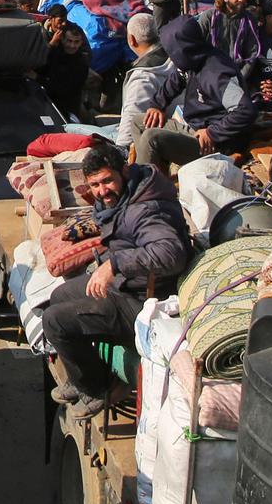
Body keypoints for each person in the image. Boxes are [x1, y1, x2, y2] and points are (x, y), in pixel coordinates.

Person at [41, 145, 193, 418]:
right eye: (95, 185)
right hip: (125, 284)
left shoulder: (146, 209)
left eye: (107, 181)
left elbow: (171, 253)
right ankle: (86, 375)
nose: (101, 191)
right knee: (60, 296)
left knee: (55, 321)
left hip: (145, 304)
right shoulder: (125, 197)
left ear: (124, 170)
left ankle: (99, 389)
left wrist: (114, 264)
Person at [134, 14, 262, 170]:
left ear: (181, 49)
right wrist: (157, 105)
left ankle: (145, 187)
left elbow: (245, 110)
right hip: (193, 127)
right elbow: (176, 80)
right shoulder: (190, 60)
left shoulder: (217, 74)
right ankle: (156, 173)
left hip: (213, 143)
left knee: (151, 138)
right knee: (139, 122)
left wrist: (212, 133)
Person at [116, 13, 175, 148]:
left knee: (72, 128)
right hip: (171, 131)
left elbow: (131, 118)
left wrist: (120, 149)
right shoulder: (174, 58)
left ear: (132, 40)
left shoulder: (142, 76)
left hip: (146, 140)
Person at [41, 17, 92, 120]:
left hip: (66, 110)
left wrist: (37, 78)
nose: (72, 45)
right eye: (69, 41)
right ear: (62, 40)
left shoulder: (81, 63)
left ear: (81, 42)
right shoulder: (53, 54)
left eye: (76, 42)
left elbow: (61, 89)